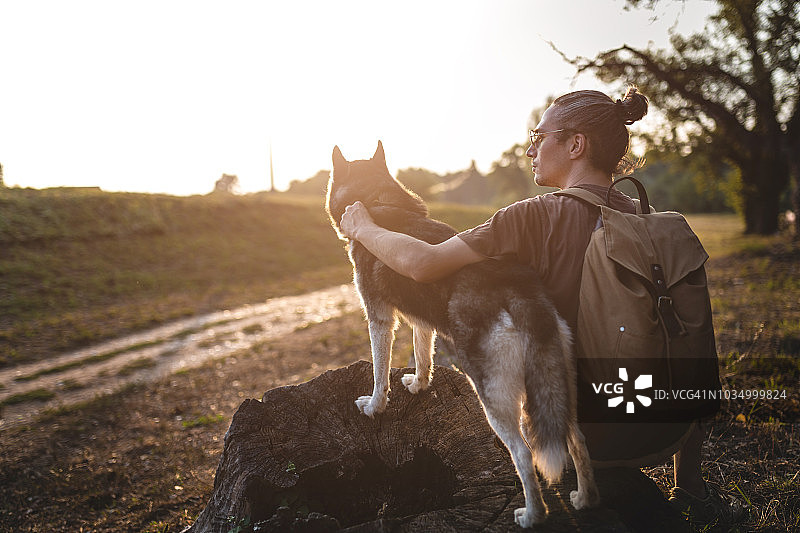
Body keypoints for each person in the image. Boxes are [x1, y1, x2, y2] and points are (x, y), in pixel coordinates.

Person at [339, 87, 743, 530]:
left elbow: (422, 263)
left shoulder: (529, 218)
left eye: (539, 135)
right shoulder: (656, 224)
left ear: (575, 145)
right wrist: (688, 480)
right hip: (665, 428)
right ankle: (692, 488)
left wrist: (364, 227)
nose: (531, 148)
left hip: (580, 435)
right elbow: (695, 342)